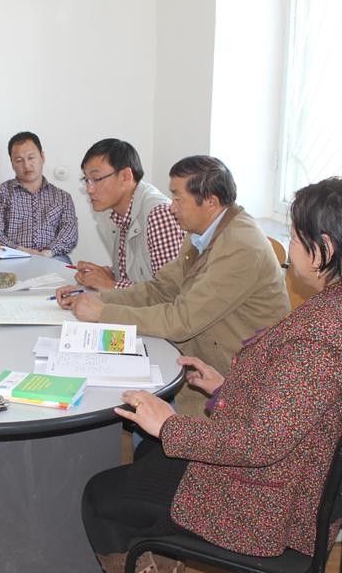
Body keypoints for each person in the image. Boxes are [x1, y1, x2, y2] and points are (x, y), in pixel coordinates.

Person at [81, 177, 342, 573]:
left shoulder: (325, 334)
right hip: (294, 477)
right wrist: (226, 388)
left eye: (296, 237)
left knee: (101, 497)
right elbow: (302, 403)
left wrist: (168, 424)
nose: (291, 248)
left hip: (269, 506)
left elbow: (260, 443)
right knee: (148, 463)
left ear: (325, 249)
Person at [56, 155, 289, 416]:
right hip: (199, 359)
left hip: (234, 385)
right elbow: (161, 288)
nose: (171, 208)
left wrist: (103, 313)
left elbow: (181, 321)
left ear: (210, 201)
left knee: (130, 403)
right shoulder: (202, 231)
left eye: (178, 198)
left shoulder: (240, 247)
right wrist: (100, 299)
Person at [72, 139, 185, 290]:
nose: (89, 189)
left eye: (96, 179)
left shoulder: (159, 214)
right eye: (86, 180)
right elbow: (136, 274)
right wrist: (106, 274)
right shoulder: (113, 215)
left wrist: (110, 285)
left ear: (126, 176)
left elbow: (170, 291)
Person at [0, 131, 78, 261]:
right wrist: (20, 250)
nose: (26, 165)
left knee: (65, 270)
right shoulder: (1, 193)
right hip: (12, 256)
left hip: (53, 257)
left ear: (42, 157)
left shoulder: (63, 197)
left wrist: (48, 253)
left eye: (31, 157)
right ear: (12, 163)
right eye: (19, 160)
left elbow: (69, 233)